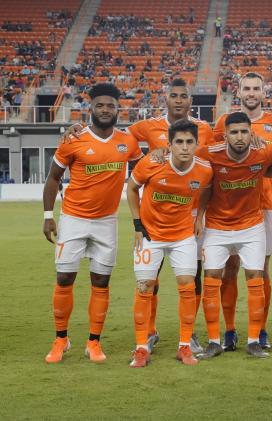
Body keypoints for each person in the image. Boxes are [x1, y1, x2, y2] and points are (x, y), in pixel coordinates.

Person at [63, 78, 214, 355]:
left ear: (190, 101)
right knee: (150, 276)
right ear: (166, 99)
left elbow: (215, 161)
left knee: (193, 277)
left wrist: (200, 214)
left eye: (184, 96)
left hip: (189, 214)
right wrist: (80, 129)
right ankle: (151, 332)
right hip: (156, 213)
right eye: (174, 96)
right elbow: (113, 134)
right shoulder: (147, 126)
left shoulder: (205, 129)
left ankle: (189, 336)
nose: (179, 100)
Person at [42, 83, 143, 363]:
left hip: (106, 222)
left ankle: (93, 343)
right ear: (91, 109)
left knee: (101, 281)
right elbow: (53, 178)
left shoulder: (128, 141)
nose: (105, 109)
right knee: (64, 278)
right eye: (100, 105)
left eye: (110, 105)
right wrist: (48, 216)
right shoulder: (73, 140)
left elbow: (145, 171)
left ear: (117, 109)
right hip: (73, 219)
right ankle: (61, 339)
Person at [197, 112, 272, 359]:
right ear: (225, 134)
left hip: (252, 226)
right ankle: (214, 341)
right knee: (212, 279)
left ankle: (253, 340)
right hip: (217, 227)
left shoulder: (264, 151)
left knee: (256, 277)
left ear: (252, 133)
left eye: (244, 132)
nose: (239, 137)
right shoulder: (210, 153)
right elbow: (182, 156)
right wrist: (159, 153)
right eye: (234, 132)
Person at [127, 119, 213, 367]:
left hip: (182, 237)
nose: (185, 147)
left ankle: (184, 346)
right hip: (150, 236)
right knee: (144, 287)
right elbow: (131, 188)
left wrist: (201, 214)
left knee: (187, 287)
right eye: (179, 142)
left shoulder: (204, 169)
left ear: (196, 144)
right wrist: (137, 224)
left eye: (189, 142)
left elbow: (206, 189)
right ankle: (141, 347)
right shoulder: (152, 163)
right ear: (170, 144)